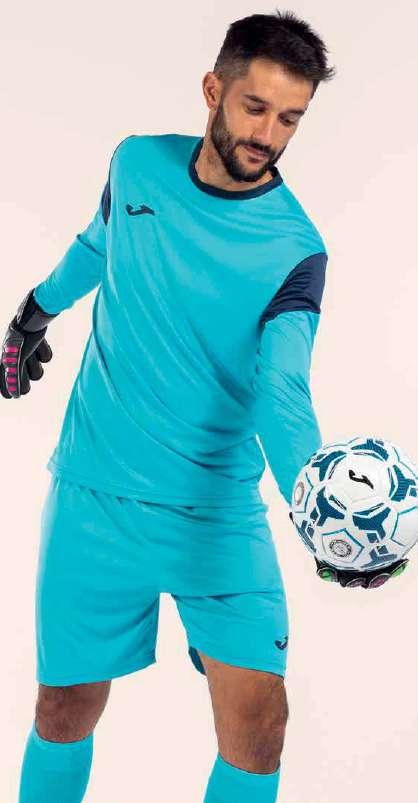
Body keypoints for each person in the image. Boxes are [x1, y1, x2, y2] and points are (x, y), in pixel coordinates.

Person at [2, 10, 336, 803]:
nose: (268, 135)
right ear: (213, 90)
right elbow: (99, 241)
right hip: (96, 494)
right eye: (256, 107)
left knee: (258, 726)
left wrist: (318, 507)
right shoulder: (137, 165)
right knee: (63, 709)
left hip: (216, 515)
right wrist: (34, 313)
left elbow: (283, 390)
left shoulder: (296, 249)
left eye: (290, 119)